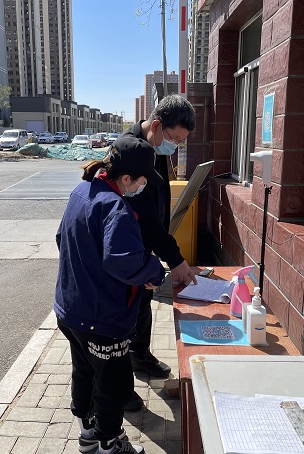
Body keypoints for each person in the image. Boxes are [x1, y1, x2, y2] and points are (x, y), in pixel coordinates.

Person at [54, 137, 166, 454]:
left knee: (85, 372)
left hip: (71, 310)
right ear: (126, 178)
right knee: (113, 383)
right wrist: (154, 273)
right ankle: (108, 444)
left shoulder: (82, 191)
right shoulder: (116, 208)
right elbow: (123, 260)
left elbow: (62, 238)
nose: (143, 186)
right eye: (142, 180)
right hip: (102, 320)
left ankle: (88, 435)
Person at [119, 94, 198, 409]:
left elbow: (156, 204)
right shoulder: (130, 152)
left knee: (142, 304)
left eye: (180, 142)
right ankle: (118, 384)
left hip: (144, 247)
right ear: (156, 126)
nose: (175, 147)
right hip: (126, 251)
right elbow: (147, 217)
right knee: (123, 315)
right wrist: (174, 259)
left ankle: (140, 355)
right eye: (174, 139)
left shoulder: (153, 146)